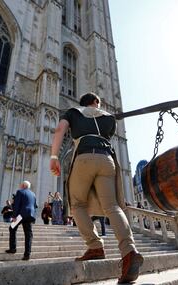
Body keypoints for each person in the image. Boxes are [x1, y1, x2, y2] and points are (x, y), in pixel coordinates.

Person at [49, 92, 144, 284]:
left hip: (85, 156)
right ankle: (129, 250)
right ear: (95, 103)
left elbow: (60, 129)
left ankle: (95, 245)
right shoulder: (109, 118)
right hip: (107, 160)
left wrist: (54, 157)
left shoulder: (73, 112)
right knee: (113, 207)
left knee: (76, 203)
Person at [5, 181, 37, 261]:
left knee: (12, 228)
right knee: (28, 234)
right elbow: (35, 206)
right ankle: (27, 254)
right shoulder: (33, 194)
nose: (20, 186)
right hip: (29, 215)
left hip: (20, 215)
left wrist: (14, 216)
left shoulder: (20, 192)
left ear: (23, 185)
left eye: (20, 185)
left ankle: (13, 248)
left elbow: (17, 205)